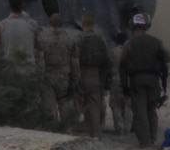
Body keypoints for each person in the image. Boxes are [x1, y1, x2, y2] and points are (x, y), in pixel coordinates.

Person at [118, 13, 170, 149]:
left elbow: (122, 64)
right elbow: (168, 57)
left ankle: (145, 141)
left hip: (137, 80)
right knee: (151, 110)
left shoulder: (129, 43)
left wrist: (124, 86)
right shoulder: (155, 42)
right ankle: (152, 138)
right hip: (153, 80)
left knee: (140, 111)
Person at [39, 13, 79, 130]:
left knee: (49, 108)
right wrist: (75, 80)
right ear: (62, 24)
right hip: (64, 77)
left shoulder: (44, 38)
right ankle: (68, 132)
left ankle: (52, 133)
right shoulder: (70, 39)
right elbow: (75, 63)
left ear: (50, 23)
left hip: (47, 76)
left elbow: (40, 59)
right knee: (65, 106)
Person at [75, 11, 110, 139]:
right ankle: (96, 135)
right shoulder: (100, 39)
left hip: (81, 74)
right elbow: (107, 61)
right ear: (93, 24)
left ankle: (71, 132)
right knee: (95, 107)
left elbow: (73, 58)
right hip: (95, 76)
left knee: (76, 107)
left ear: (82, 23)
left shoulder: (78, 38)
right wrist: (102, 79)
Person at [0, 0, 42, 68]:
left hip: (10, 69)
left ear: (9, 7)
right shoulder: (33, 25)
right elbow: (43, 46)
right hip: (28, 69)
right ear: (22, 6)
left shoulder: (1, 26)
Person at [107, 32, 131, 135]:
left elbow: (107, 66)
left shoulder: (112, 52)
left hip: (115, 80)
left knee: (116, 106)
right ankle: (127, 128)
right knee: (128, 106)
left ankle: (119, 128)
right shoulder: (131, 52)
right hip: (129, 81)